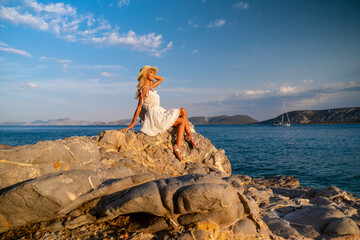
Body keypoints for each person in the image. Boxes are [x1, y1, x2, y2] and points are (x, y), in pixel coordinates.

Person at [125, 65, 197, 161]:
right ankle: (179, 146)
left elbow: (161, 79)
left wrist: (152, 76)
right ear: (145, 74)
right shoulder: (144, 89)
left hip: (160, 112)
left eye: (154, 73)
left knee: (183, 110)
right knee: (182, 121)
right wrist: (133, 123)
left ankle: (188, 137)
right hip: (154, 116)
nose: (154, 74)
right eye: (151, 72)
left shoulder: (150, 87)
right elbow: (139, 107)